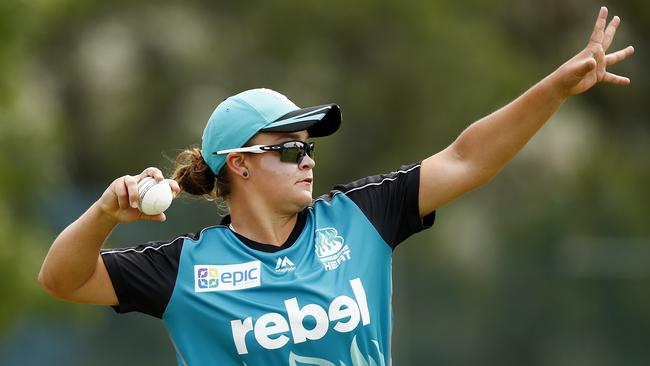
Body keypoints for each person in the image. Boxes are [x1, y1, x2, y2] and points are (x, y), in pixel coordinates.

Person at [39, 7, 634, 366]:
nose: (307, 160)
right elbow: (60, 279)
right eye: (290, 148)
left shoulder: (360, 217)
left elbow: (468, 159)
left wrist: (553, 90)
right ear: (240, 165)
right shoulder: (185, 269)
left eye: (309, 148)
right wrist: (104, 214)